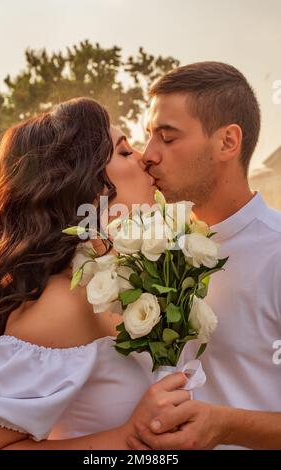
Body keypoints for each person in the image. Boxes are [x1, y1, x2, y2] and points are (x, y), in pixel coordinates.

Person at [0, 97, 189, 450]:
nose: (144, 157)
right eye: (124, 152)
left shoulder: (116, 281)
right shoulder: (61, 303)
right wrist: (124, 439)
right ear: (86, 187)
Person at [127, 61, 281, 450]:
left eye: (167, 137)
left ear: (228, 142)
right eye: (149, 136)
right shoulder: (148, 248)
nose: (148, 155)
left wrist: (226, 426)